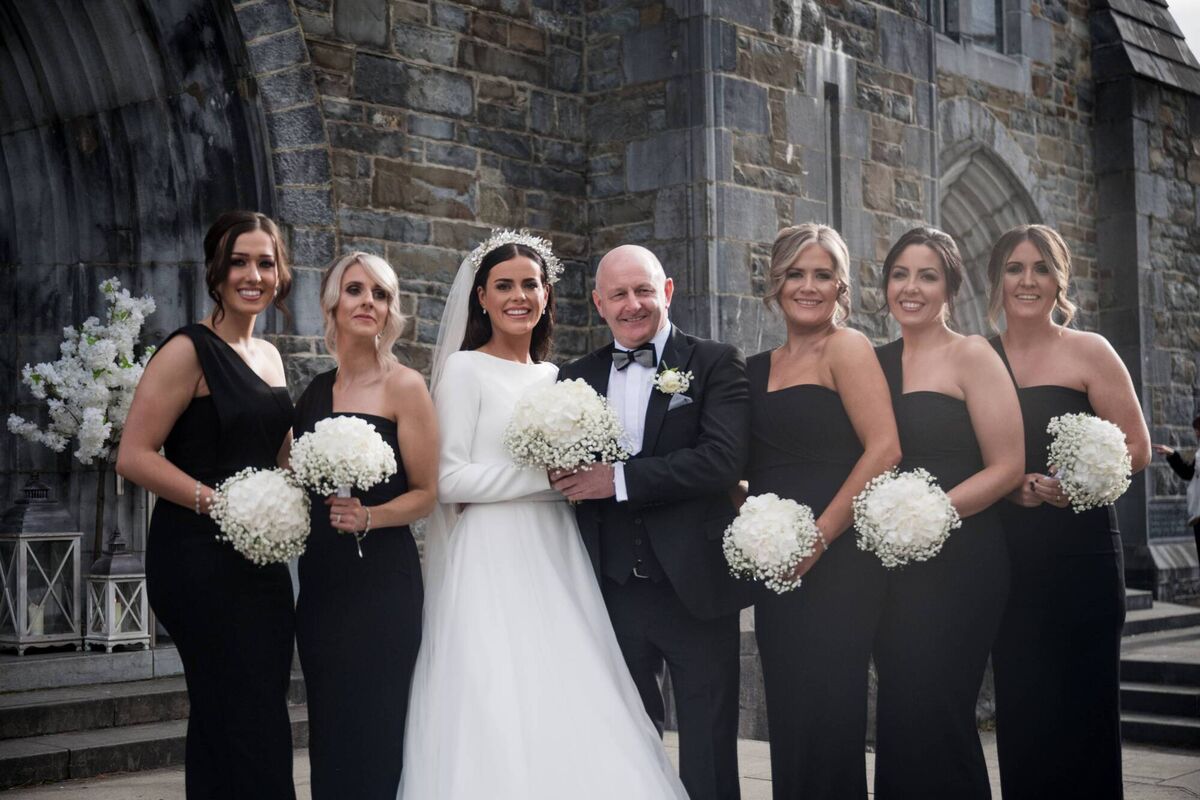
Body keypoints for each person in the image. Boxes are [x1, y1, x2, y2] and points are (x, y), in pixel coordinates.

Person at [399, 231, 687, 799]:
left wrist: (577, 482)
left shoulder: (559, 379)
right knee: (498, 691)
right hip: (491, 556)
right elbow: (448, 479)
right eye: (503, 285)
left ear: (547, 294)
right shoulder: (463, 370)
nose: (519, 296)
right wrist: (552, 482)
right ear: (481, 297)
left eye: (530, 284)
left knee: (570, 685)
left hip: (558, 553)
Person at [554, 244, 754, 800]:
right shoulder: (574, 378)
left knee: (709, 745)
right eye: (618, 294)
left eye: (643, 290)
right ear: (599, 303)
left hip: (695, 584)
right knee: (625, 742)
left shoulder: (714, 361)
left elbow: (721, 462)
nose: (633, 304)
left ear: (667, 291)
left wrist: (614, 479)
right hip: (611, 592)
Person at [116, 211, 297, 799]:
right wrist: (219, 503)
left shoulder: (269, 356)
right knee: (232, 705)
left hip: (260, 557)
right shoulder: (187, 350)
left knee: (260, 702)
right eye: (239, 261)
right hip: (197, 554)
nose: (253, 274)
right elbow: (135, 456)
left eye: (265, 262)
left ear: (280, 273)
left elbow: (280, 458)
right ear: (215, 272)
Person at [987, 224, 1151, 800]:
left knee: (1086, 722)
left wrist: (1073, 486)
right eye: (1014, 268)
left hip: (1083, 562)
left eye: (1041, 268)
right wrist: (1011, 489)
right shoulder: (981, 356)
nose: (1027, 280)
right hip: (1010, 565)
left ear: (1060, 280)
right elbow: (972, 458)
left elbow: (1136, 448)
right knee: (1024, 721)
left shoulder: (1090, 351)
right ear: (997, 279)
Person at [745, 225, 900, 800]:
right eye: (795, 274)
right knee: (789, 713)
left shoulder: (848, 348)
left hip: (838, 563)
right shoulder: (756, 368)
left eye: (822, 274)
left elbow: (884, 448)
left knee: (830, 713)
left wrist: (818, 538)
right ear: (775, 282)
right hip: (776, 564)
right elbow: (745, 469)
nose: (808, 286)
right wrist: (753, 530)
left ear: (841, 285)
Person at [871, 227, 1024, 799]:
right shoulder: (874, 361)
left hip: (964, 562)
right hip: (889, 566)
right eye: (900, 274)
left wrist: (927, 511)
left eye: (927, 276)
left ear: (950, 288)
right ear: (886, 284)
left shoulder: (973, 354)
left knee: (939, 709)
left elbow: (1008, 466)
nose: (912, 288)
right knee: (901, 709)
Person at [292, 252, 437, 799]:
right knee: (329, 723)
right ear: (333, 303)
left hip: (384, 584)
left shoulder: (405, 387)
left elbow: (427, 494)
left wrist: (371, 515)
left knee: (379, 723)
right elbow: (287, 469)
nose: (368, 303)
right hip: (324, 584)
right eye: (355, 290)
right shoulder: (314, 391)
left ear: (390, 310)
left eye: (380, 294)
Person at [1154, 414, 1200, 555]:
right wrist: (1172, 454)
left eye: (1198, 429)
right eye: (1196, 429)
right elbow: (1188, 473)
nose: (1196, 433)